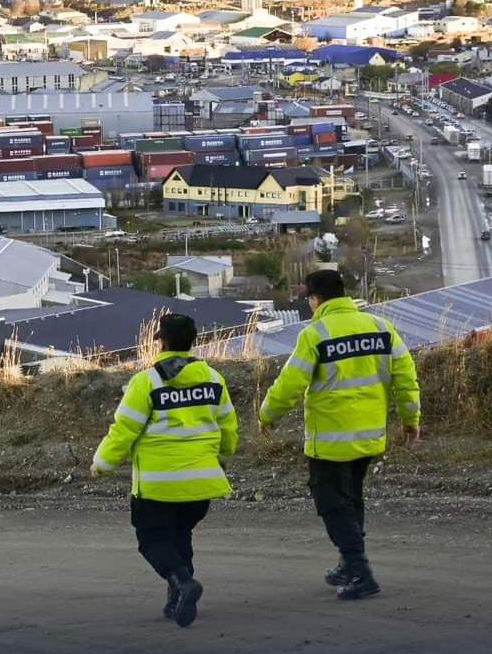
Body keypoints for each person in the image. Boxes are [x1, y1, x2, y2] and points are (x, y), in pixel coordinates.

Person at [258, 269, 421, 600]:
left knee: (332, 505)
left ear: (315, 300)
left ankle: (361, 572)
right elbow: (405, 377)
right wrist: (410, 419)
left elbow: (291, 383)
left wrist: (268, 415)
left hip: (331, 441)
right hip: (369, 436)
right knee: (352, 499)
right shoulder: (381, 328)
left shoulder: (315, 333)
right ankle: (349, 563)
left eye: (310, 301)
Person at [91, 313, 238, 628]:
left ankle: (183, 583)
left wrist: (102, 464)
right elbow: (228, 424)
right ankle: (176, 597)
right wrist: (224, 454)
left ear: (163, 342)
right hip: (200, 483)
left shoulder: (146, 382)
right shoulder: (213, 379)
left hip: (159, 486)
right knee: (180, 534)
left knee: (153, 539)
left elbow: (124, 430)